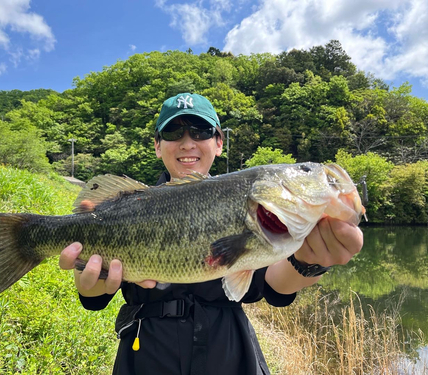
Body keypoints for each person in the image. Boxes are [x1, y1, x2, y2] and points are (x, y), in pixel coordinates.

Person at [58, 93, 363, 375]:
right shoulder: (132, 204)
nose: (187, 142)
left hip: (228, 351)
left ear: (219, 143)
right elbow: (94, 298)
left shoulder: (254, 211)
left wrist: (309, 261)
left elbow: (271, 285)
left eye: (201, 132)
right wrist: (91, 280)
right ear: (157, 144)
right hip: (149, 351)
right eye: (173, 132)